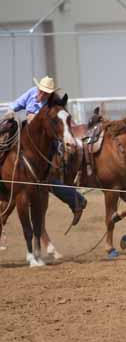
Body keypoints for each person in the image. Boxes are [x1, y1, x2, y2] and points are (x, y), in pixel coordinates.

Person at [3, 76, 87, 230]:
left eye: (46, 93)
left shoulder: (54, 102)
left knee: (45, 176)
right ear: (38, 89)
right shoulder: (31, 93)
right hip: (28, 136)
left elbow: (60, 121)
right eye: (42, 91)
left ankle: (73, 198)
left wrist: (36, 119)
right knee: (5, 140)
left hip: (47, 140)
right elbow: (16, 105)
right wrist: (11, 112)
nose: (42, 95)